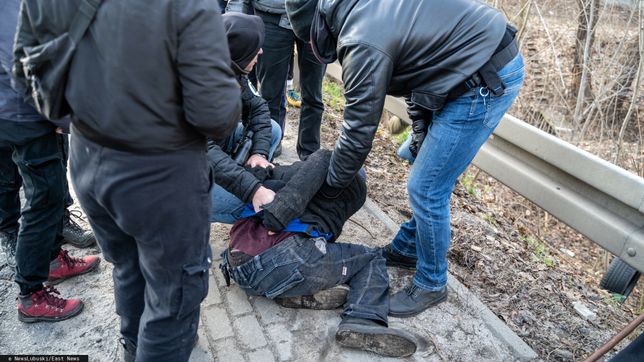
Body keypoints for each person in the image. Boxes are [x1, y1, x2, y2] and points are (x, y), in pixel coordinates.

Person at [14, 0, 241, 361]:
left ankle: (134, 347)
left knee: (128, 266)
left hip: (88, 162)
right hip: (161, 175)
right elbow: (214, 113)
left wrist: (79, 120)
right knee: (173, 299)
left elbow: (26, 70)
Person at [285, 0, 525, 317]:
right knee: (426, 169)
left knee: (426, 188)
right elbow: (417, 80)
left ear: (317, 29)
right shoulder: (363, 10)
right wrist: (423, 135)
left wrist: (330, 192)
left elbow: (357, 133)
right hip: (464, 64)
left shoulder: (362, 40)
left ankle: (431, 283)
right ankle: (409, 248)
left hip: (482, 77)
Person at [220, 149, 418, 357]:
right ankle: (363, 318)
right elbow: (325, 159)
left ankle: (296, 292)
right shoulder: (338, 177)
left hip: (236, 263)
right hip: (281, 259)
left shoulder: (276, 171)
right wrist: (281, 213)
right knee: (371, 257)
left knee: (313, 257)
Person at [1, 0, 100, 323]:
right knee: (43, 199)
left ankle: (53, 258)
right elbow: (22, 62)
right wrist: (59, 115)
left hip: (29, 107)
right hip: (21, 113)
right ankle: (30, 293)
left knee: (52, 192)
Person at [226, 0, 326, 160]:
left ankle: (310, 154)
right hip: (272, 14)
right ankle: (267, 149)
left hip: (315, 16)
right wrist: (234, 15)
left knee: (313, 95)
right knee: (269, 92)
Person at [209, 13, 282, 224]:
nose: (260, 51)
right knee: (248, 202)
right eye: (254, 47)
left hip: (210, 147)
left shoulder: (231, 69)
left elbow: (258, 107)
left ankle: (234, 176)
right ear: (236, 51)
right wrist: (252, 189)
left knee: (273, 129)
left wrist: (259, 152)